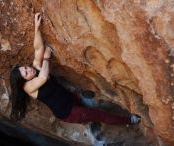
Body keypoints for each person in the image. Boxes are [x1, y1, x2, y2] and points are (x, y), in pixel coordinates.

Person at [9, 13, 141, 125]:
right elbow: (43, 77)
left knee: (89, 110)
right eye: (26, 73)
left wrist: (37, 28)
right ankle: (130, 120)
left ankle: (89, 113)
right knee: (99, 115)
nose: (29, 70)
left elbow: (38, 48)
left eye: (26, 68)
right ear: (23, 80)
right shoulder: (29, 87)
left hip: (70, 98)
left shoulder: (35, 68)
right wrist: (47, 58)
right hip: (68, 112)